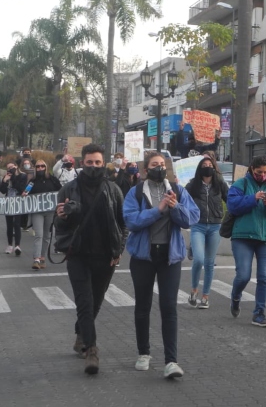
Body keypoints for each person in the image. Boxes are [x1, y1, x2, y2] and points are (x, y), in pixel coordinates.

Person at [123, 151, 200, 378]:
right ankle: (143, 353)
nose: (159, 167)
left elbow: (191, 218)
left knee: (169, 307)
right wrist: (158, 210)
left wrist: (175, 207)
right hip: (143, 257)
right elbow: (131, 221)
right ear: (145, 170)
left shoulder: (177, 190)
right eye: (154, 165)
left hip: (170, 256)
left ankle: (171, 361)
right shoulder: (135, 192)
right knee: (143, 306)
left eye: (162, 164)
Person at [55, 143, 128, 375]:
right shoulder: (68, 190)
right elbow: (58, 225)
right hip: (77, 255)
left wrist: (118, 251)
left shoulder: (113, 190)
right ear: (81, 163)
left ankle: (81, 334)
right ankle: (92, 349)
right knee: (84, 302)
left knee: (95, 302)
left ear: (103, 163)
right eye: (89, 162)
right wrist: (63, 217)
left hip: (105, 256)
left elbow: (123, 224)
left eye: (98, 162)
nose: (94, 166)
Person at [228, 155, 266, 327]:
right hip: (243, 237)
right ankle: (235, 296)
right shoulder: (242, 184)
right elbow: (232, 204)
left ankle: (259, 313)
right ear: (251, 170)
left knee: (264, 277)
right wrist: (253, 198)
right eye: (258, 172)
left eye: (265, 172)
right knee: (243, 275)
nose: (262, 176)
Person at [185, 156, 228, 309]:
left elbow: (230, 199)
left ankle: (205, 296)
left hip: (215, 226)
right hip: (198, 226)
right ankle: (194, 290)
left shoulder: (220, 184)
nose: (207, 167)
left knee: (209, 263)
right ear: (200, 168)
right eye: (204, 165)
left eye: (210, 164)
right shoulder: (193, 185)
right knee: (198, 260)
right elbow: (183, 199)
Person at [26, 159, 61, 270]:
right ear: (35, 168)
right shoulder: (32, 181)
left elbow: (60, 191)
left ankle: (42, 257)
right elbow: (26, 193)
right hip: (37, 212)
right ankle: (36, 259)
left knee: (47, 236)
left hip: (50, 211)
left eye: (42, 166)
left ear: (46, 167)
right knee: (39, 235)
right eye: (38, 166)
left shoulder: (53, 180)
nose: (40, 168)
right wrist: (24, 195)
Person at [0, 161, 28, 255]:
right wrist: (4, 181)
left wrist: (13, 178)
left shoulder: (22, 176)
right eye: (8, 168)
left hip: (18, 201)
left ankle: (17, 245)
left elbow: (21, 188)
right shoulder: (7, 176)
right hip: (8, 201)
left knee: (17, 224)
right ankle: (10, 244)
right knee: (9, 224)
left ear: (16, 166)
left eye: (11, 167)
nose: (10, 169)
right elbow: (2, 191)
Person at [19, 157, 34, 231]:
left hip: (31, 192)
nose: (26, 165)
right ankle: (22, 224)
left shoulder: (33, 172)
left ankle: (28, 224)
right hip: (22, 191)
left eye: (28, 163)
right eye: (25, 164)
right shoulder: (20, 172)